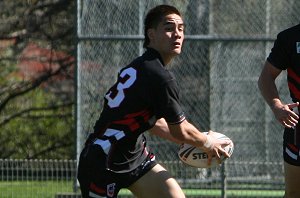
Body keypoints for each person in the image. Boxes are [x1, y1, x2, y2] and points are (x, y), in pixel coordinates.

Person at [77, 5, 231, 198]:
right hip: (103, 161)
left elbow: (154, 123)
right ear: (152, 34)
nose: (177, 34)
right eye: (169, 28)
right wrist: (207, 143)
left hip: (135, 157)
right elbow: (181, 129)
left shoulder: (142, 66)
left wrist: (196, 143)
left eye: (181, 29)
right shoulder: (159, 76)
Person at [258, 23, 300, 198]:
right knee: (293, 193)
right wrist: (277, 106)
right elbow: (266, 77)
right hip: (298, 128)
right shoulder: (290, 38)